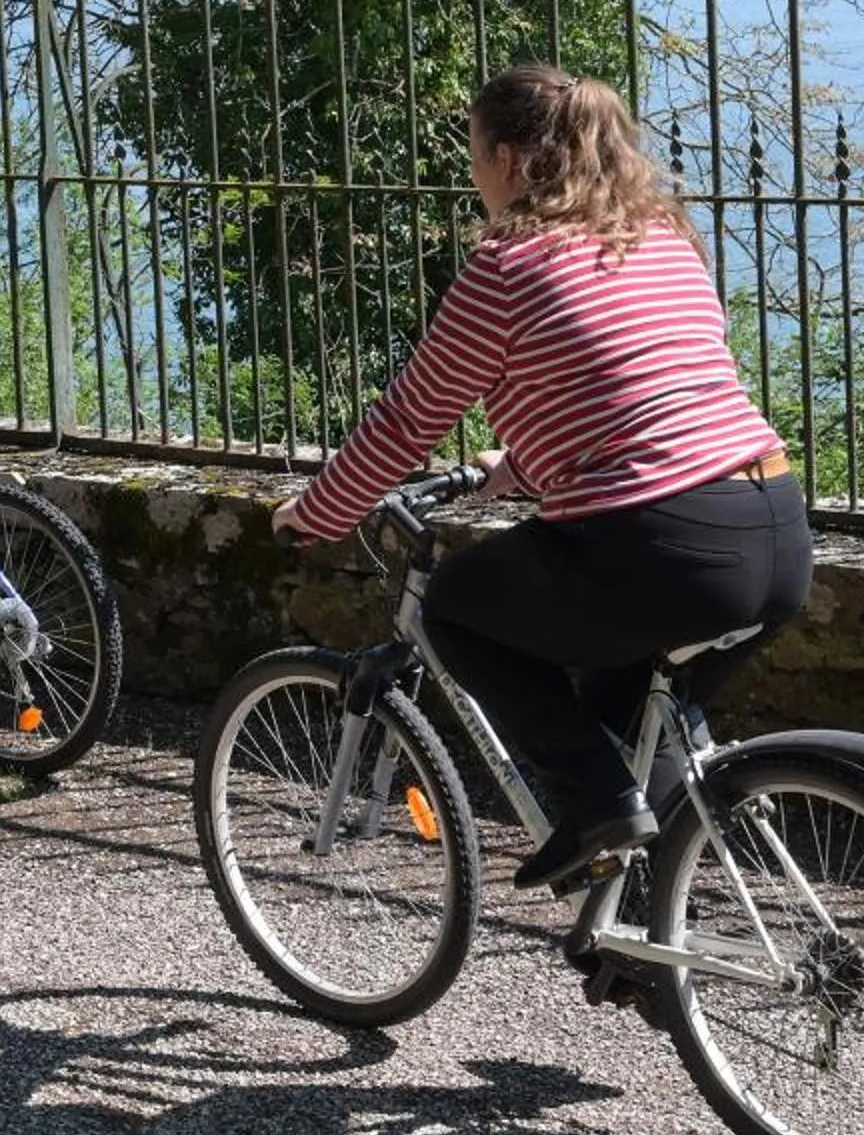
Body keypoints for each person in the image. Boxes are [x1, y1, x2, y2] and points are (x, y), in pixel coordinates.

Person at [271, 63, 811, 890]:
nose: (473, 175)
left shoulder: (509, 265)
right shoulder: (660, 237)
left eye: (475, 155)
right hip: (772, 522)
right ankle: (644, 933)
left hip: (661, 546)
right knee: (624, 719)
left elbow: (410, 420)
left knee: (456, 607)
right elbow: (646, 396)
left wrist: (318, 512)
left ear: (512, 159)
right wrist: (520, 466)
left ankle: (598, 811)